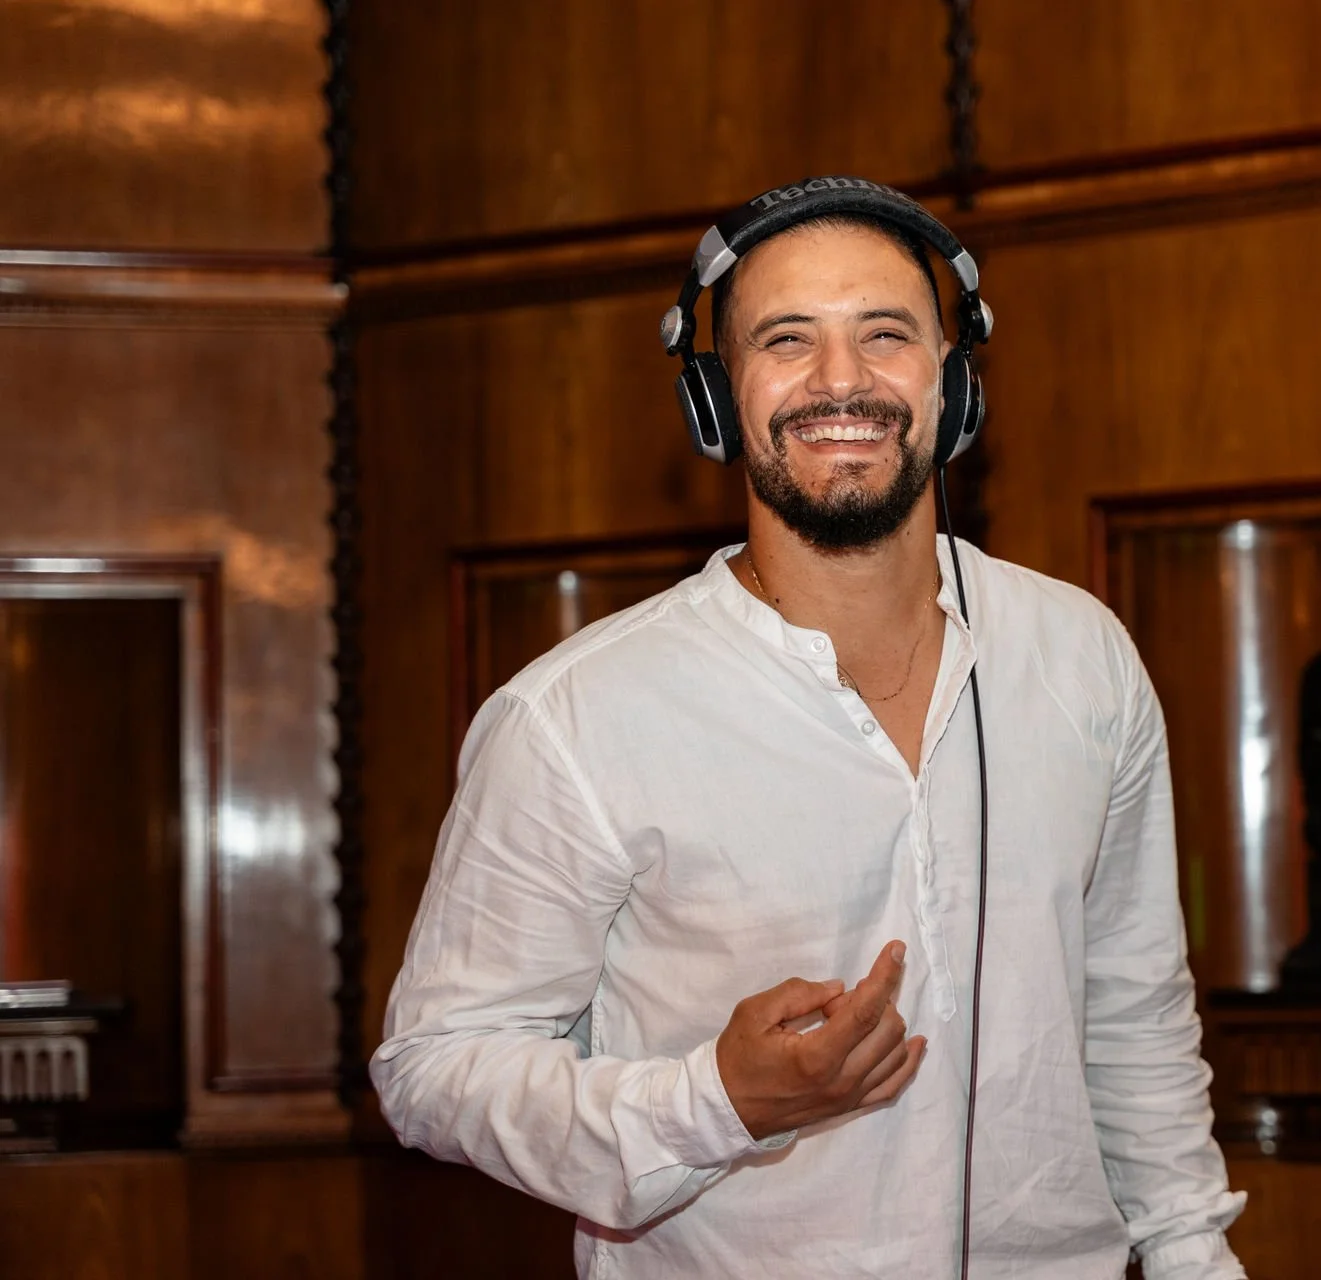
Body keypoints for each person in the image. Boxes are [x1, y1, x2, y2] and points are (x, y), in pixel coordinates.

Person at [372, 178, 1247, 1279]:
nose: (843, 379)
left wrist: (1193, 1255)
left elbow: (1134, 1008)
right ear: (715, 396)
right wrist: (716, 1100)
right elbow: (434, 1068)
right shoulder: (574, 715)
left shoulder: (1081, 657)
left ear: (953, 381)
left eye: (886, 333)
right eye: (788, 339)